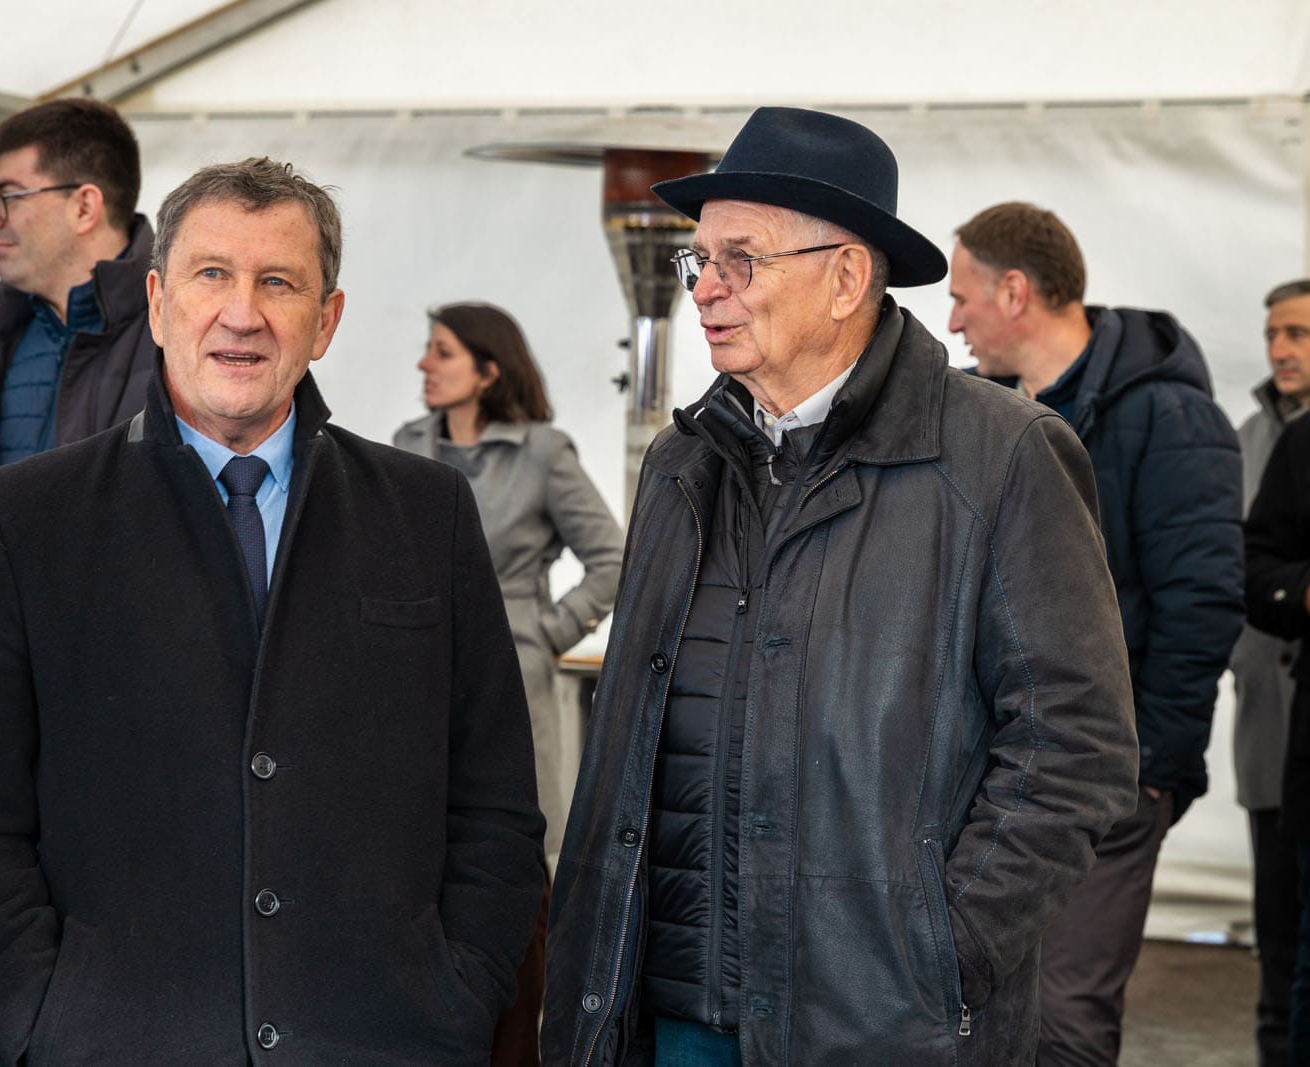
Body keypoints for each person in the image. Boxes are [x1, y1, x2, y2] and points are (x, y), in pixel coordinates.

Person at [543, 107, 1139, 1067]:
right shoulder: (680, 462)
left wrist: (942, 952)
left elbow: (1076, 746)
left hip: (876, 1024)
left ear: (847, 276)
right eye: (701, 262)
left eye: (740, 260)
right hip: (668, 1013)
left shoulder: (1002, 455)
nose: (705, 290)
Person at [0, 158, 546, 1065]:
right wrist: (47, 1012)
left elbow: (495, 804)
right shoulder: (28, 518)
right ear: (160, 301)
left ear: (325, 320)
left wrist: (454, 996)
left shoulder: (427, 512)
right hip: (117, 1044)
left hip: (383, 1041)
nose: (242, 313)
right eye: (212, 275)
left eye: (278, 282)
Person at [948, 201, 1245, 1066]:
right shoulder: (987, 416)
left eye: (965, 296)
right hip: (1000, 771)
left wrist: (1144, 769)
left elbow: (1202, 601)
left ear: (1015, 290)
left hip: (1109, 777)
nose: (953, 319)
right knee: (989, 1010)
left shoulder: (1170, 418)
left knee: (1064, 1023)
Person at [0, 97, 157, 1067]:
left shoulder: (188, 329)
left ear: (85, 200)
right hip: (1, 741)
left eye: (6, 194)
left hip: (136, 751)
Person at [395, 302, 623, 1066]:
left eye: (442, 352)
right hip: (418, 683)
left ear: (488, 370)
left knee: (513, 863)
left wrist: (546, 632)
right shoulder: (404, 447)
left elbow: (613, 558)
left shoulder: (543, 454)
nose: (425, 364)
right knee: (420, 857)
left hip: (516, 687)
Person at [1234, 279, 1310, 1067]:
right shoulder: (1248, 435)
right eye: (1273, 334)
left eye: (1299, 334)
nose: (1281, 350)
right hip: (1270, 725)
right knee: (1281, 932)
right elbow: (1233, 566)